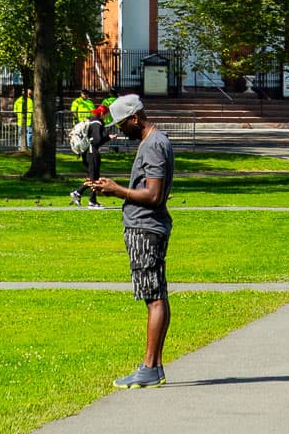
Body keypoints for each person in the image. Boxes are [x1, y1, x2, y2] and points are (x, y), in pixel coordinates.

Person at [91, 95, 175, 388]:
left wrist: (117, 191)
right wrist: (114, 189)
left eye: (122, 123)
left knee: (154, 298)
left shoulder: (153, 145)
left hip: (146, 228)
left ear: (135, 118)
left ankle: (150, 367)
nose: (120, 129)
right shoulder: (156, 142)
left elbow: (153, 195)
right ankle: (153, 367)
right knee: (156, 295)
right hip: (147, 226)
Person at [70, 95, 108, 209]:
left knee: (92, 177)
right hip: (92, 152)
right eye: (106, 115)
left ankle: (78, 193)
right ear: (102, 114)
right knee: (94, 178)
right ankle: (91, 201)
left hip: (86, 152)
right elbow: (97, 140)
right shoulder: (97, 123)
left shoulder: (90, 121)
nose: (106, 117)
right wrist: (107, 138)